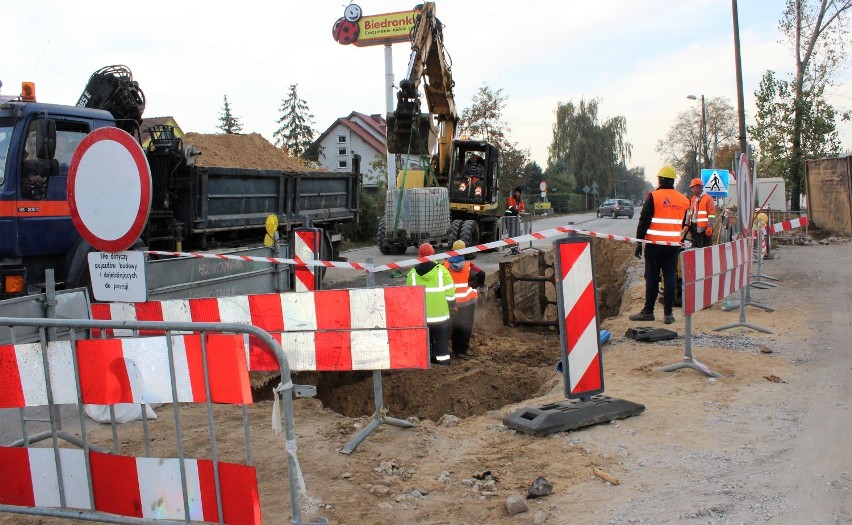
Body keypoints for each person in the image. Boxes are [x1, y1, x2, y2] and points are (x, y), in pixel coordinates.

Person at [629, 165, 689, 325]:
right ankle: (668, 314)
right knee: (669, 277)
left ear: (660, 180)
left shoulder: (654, 197)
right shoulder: (683, 200)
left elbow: (644, 221)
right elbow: (683, 223)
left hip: (654, 245)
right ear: (673, 181)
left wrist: (639, 243)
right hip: (672, 245)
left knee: (652, 277)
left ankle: (648, 311)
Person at [407, 242, 456, 366]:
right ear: (433, 255)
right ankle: (443, 364)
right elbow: (450, 291)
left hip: (422, 317)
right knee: (441, 341)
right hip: (441, 316)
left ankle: (426, 362)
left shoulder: (412, 274)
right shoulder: (442, 271)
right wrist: (452, 306)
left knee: (424, 342)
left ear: (419, 256)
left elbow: (408, 297)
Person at [444, 240, 485, 357]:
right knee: (465, 327)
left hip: (450, 302)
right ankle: (461, 350)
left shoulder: (444, 266)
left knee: (451, 326)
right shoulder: (469, 266)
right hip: (467, 303)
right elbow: (481, 274)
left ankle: (449, 349)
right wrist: (476, 285)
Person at [683, 178, 716, 248]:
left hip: (703, 230)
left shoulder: (708, 199)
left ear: (698, 187)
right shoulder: (693, 199)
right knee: (695, 248)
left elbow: (711, 214)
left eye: (692, 188)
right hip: (693, 227)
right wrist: (687, 224)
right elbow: (690, 212)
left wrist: (710, 226)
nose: (691, 190)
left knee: (704, 249)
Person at [504, 186, 525, 253]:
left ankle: (516, 248)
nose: (517, 193)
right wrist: (519, 212)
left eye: (518, 192)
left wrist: (523, 212)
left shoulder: (521, 201)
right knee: (511, 234)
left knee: (516, 233)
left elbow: (523, 209)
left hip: (516, 219)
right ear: (514, 192)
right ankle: (513, 249)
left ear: (520, 193)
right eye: (516, 192)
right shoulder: (510, 199)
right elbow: (510, 207)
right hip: (509, 218)